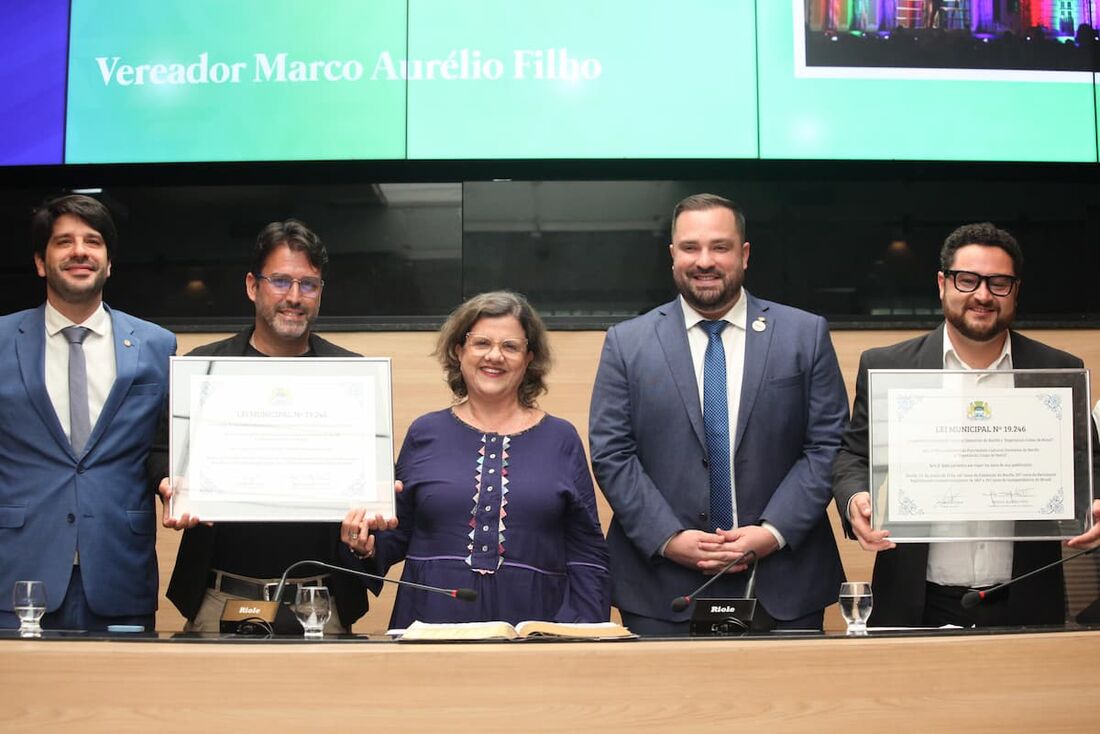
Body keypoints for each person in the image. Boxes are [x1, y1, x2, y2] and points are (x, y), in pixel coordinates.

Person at [588, 193, 849, 636]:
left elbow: (827, 445)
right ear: (672, 256)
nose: (704, 261)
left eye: (720, 247)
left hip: (783, 581)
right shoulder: (626, 344)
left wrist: (771, 532)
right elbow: (613, 454)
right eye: (690, 247)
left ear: (744, 254)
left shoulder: (804, 334)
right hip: (661, 587)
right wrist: (668, 538)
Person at [833, 222, 1100, 627]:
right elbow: (852, 454)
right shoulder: (888, 366)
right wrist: (855, 499)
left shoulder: (1056, 370)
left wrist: (1095, 503)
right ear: (943, 284)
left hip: (1026, 597)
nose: (982, 295)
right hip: (916, 599)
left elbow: (1089, 463)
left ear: (1015, 290)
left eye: (998, 283)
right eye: (967, 280)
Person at [156, 219, 393, 633]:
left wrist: (374, 506)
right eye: (281, 281)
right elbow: (161, 451)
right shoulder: (204, 370)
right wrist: (169, 485)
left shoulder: (352, 376)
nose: (295, 297)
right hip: (219, 598)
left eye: (309, 285)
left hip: (322, 603)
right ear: (252, 286)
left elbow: (369, 482)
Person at [347, 291, 610, 628]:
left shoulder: (562, 438)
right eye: (481, 343)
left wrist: (581, 635)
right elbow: (396, 535)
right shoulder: (425, 432)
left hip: (535, 631)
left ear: (529, 358)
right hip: (431, 626)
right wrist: (364, 544)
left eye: (511, 347)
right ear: (459, 351)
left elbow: (587, 554)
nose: (495, 356)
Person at [0, 194, 175, 631]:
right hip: (18, 570)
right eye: (64, 242)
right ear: (41, 262)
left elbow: (165, 444)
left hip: (120, 571)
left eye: (92, 241)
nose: (80, 251)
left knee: (125, 700)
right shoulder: (1, 341)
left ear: (109, 262)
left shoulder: (156, 345)